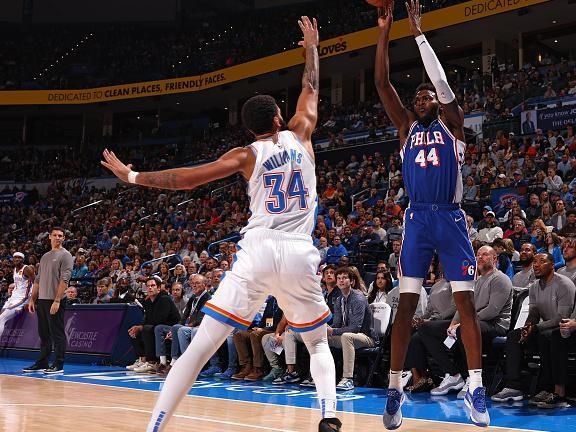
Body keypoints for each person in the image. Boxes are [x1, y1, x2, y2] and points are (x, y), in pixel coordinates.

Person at [101, 16, 341, 432]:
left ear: (250, 127)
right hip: (300, 248)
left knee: (201, 347)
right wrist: (312, 49)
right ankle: (329, 415)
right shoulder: (301, 134)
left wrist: (134, 177)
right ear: (280, 118)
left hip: (260, 248)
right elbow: (312, 88)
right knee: (317, 341)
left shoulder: (245, 155)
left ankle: (155, 426)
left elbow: (187, 178)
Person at [374, 1, 489, 427]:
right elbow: (382, 82)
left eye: (428, 96)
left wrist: (418, 32)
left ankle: (475, 387)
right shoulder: (405, 129)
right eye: (418, 96)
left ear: (438, 103)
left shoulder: (453, 126)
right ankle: (394, 387)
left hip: (452, 218)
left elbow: (441, 82)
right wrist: (385, 32)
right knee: (405, 305)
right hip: (418, 218)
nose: (422, 99)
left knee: (466, 303)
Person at [23, 227, 74, 374]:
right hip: (43, 300)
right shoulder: (45, 256)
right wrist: (32, 299)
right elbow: (37, 281)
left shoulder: (66, 255)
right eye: (55, 235)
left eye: (61, 236)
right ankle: (42, 362)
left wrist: (57, 300)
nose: (58, 238)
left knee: (57, 333)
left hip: (55, 300)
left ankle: (58, 364)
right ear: (49, 237)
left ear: (63, 238)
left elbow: (65, 280)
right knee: (44, 334)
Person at [0, 252, 34, 338]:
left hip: (22, 299)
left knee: (2, 319)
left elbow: (35, 284)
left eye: (19, 258)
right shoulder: (14, 269)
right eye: (15, 257)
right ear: (13, 259)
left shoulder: (27, 269)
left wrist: (30, 300)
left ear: (23, 259)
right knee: (1, 316)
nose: (17, 259)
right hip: (13, 298)